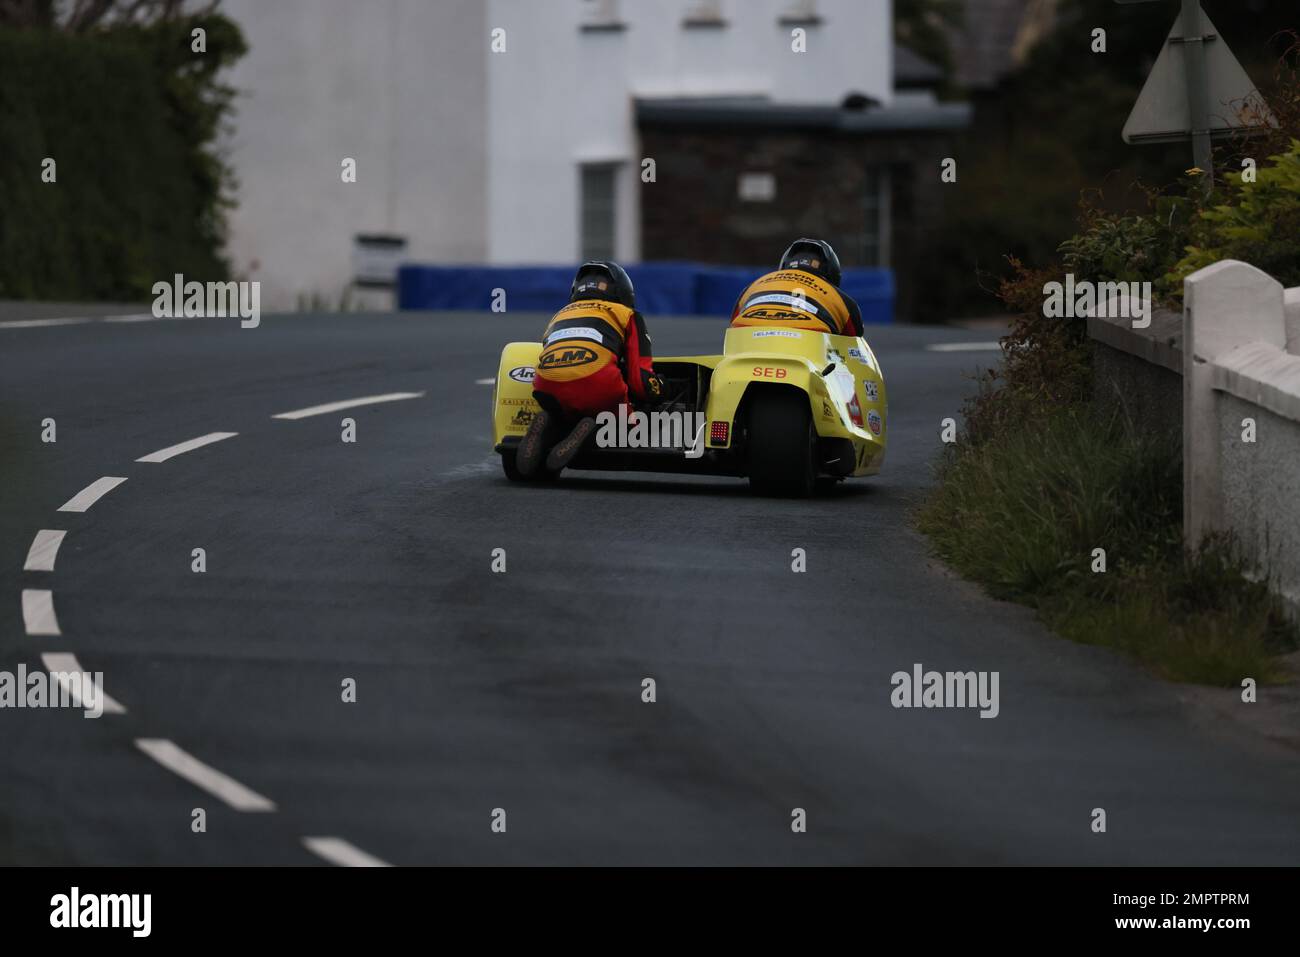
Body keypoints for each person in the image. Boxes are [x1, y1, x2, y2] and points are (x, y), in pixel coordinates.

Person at [516, 261, 661, 476]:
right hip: (597, 387)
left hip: (546, 387)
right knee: (630, 427)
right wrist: (658, 389)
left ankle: (548, 421)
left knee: (564, 409)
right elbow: (639, 380)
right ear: (622, 291)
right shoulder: (627, 314)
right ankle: (594, 425)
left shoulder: (560, 314)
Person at [730, 238, 864, 337]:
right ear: (833, 273)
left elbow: (731, 327)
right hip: (807, 348)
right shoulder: (840, 298)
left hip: (746, 338)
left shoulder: (753, 286)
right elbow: (854, 345)